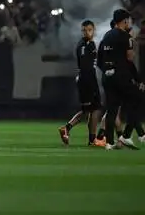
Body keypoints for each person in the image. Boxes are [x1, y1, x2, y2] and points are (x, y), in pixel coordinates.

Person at [97, 9, 143, 150]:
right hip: (122, 76)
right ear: (124, 21)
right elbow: (129, 58)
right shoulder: (126, 37)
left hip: (107, 77)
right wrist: (137, 78)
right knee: (135, 101)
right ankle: (129, 135)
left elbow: (99, 60)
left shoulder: (106, 36)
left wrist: (107, 70)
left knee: (111, 109)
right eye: (128, 20)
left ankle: (109, 143)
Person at [59, 20, 105, 147]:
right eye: (84, 30)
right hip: (88, 80)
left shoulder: (86, 44)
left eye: (89, 30)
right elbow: (86, 66)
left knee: (88, 110)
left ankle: (67, 128)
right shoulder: (87, 45)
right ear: (82, 31)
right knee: (95, 109)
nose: (87, 32)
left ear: (93, 30)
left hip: (86, 79)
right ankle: (92, 139)